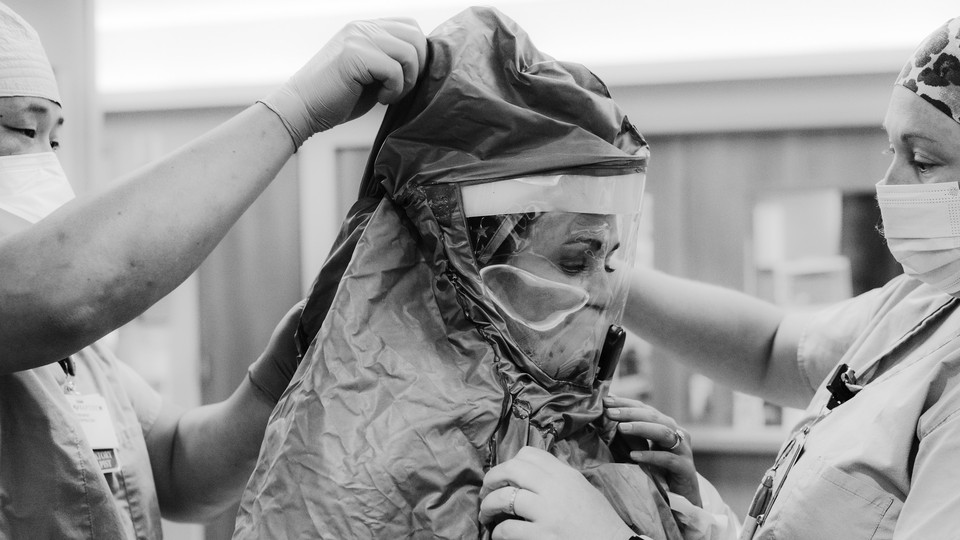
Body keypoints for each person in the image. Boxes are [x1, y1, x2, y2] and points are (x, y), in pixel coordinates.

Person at [234, 6, 738, 539]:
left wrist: (682, 512)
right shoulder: (366, 463)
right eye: (575, 259)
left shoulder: (583, 424)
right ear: (469, 269)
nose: (607, 287)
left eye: (611, 257)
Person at [479, 15, 960, 540]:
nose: (889, 184)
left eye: (924, 160)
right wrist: (696, 522)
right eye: (891, 150)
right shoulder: (923, 304)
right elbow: (771, 348)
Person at [0, 3, 427, 538]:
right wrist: (296, 111)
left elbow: (177, 464)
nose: (48, 164)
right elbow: (72, 292)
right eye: (21, 129)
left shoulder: (81, 360)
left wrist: (281, 370)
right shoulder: (51, 305)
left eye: (55, 139)